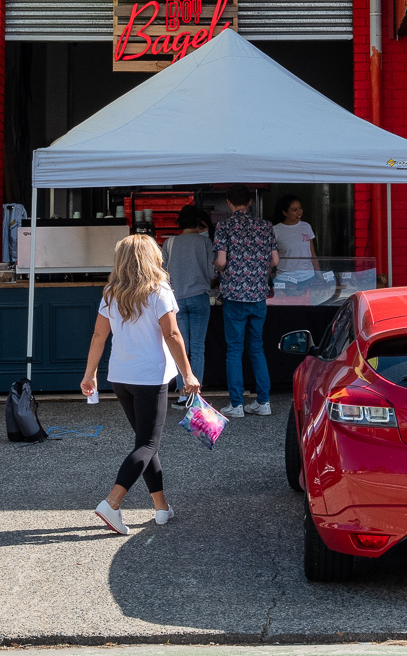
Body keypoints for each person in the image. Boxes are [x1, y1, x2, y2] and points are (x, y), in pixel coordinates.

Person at [80, 233, 202, 536]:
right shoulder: (159, 290)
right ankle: (112, 502)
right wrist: (188, 374)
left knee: (145, 443)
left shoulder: (111, 291)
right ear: (152, 257)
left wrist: (90, 373)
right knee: (147, 443)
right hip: (151, 377)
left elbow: (98, 335)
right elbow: (173, 335)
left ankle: (161, 508)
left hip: (121, 377)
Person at [211, 184, 279, 419]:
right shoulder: (265, 226)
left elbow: (220, 261)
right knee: (257, 348)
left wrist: (221, 269)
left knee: (234, 350)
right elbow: (275, 260)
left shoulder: (224, 226)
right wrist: (258, 271)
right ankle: (263, 402)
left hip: (234, 295)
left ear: (229, 203)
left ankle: (237, 404)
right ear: (250, 202)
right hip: (258, 295)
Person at [162, 203, 214, 408]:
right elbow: (212, 273)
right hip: (200, 297)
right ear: (199, 222)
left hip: (177, 300)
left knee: (180, 347)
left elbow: (162, 273)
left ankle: (184, 394)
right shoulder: (205, 243)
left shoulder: (170, 243)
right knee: (198, 348)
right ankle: (195, 396)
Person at [271, 193, 327, 299]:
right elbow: (272, 257)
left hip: (308, 278)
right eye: (294, 210)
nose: (299, 212)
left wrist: (319, 276)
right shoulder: (276, 230)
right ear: (284, 212)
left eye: (300, 208)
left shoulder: (306, 227)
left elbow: (313, 254)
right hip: (286, 279)